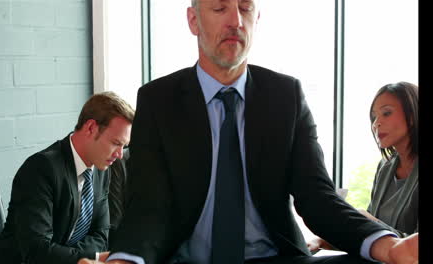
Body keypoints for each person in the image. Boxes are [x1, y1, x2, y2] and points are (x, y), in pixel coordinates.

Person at [80, 1, 418, 263]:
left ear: (257, 19)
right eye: (219, 8)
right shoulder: (158, 100)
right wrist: (126, 259)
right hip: (188, 261)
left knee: (378, 259)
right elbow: (148, 208)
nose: (235, 21)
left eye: (245, 8)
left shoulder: (285, 96)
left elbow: (318, 199)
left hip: (275, 258)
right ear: (193, 20)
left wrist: (389, 246)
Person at [0, 91, 135, 264]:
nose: (119, 154)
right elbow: (37, 250)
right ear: (91, 128)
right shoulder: (40, 168)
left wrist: (82, 257)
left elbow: (101, 235)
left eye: (124, 146)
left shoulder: (102, 168)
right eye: (116, 143)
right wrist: (87, 258)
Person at [307, 82, 418, 253]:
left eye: (386, 113)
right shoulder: (385, 167)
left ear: (412, 115)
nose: (376, 124)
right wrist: (321, 241)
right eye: (374, 117)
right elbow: (368, 235)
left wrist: (368, 220)